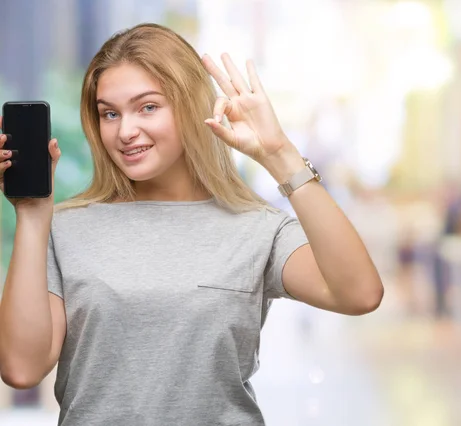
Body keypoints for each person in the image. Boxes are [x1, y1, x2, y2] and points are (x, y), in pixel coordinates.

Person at [0, 23, 383, 426]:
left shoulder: (255, 228)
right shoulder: (65, 228)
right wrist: (30, 214)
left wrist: (279, 154)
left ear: (189, 104)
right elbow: (21, 369)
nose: (126, 131)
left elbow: (359, 294)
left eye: (148, 107)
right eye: (109, 113)